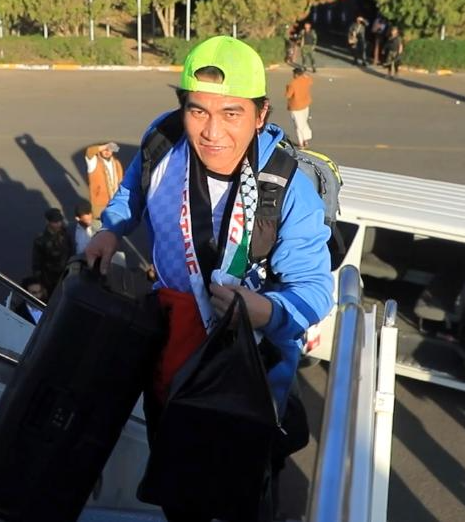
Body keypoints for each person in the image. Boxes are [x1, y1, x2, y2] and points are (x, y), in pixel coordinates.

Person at [84, 35, 334, 521]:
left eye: (231, 113)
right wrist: (110, 231)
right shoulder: (162, 142)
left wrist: (263, 311)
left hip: (247, 390)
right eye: (197, 111)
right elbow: (132, 192)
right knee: (178, 496)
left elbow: (314, 290)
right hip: (171, 370)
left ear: (261, 115)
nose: (212, 132)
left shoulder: (286, 189)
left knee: (243, 501)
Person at [32, 208, 73, 295]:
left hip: (66, 274)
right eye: (55, 222)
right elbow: (36, 262)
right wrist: (40, 282)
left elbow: (71, 251)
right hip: (49, 278)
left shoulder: (66, 233)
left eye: (60, 221)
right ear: (48, 222)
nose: (58, 224)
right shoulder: (41, 240)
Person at [86, 142, 124, 221]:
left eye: (109, 150)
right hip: (100, 203)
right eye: (105, 150)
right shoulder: (94, 162)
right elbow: (89, 152)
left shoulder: (116, 163)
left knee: (114, 225)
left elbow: (121, 181)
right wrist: (105, 146)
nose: (107, 151)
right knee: (99, 225)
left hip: (115, 201)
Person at [285, 67, 313, 149]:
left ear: (296, 74)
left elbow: (288, 95)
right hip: (305, 104)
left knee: (298, 125)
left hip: (296, 106)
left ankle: (301, 143)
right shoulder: (306, 80)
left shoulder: (292, 84)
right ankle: (306, 140)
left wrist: (287, 88)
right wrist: (304, 75)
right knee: (304, 122)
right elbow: (311, 80)